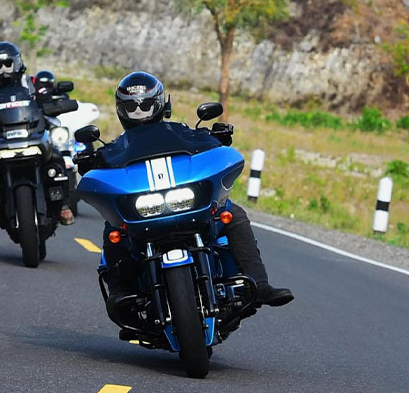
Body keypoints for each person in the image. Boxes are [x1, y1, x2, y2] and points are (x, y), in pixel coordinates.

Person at [84, 71, 293, 315]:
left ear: (160, 103)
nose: (139, 111)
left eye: (146, 104)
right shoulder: (114, 149)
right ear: (121, 109)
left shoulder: (183, 133)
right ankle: (119, 292)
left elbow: (208, 144)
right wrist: (88, 159)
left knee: (233, 214)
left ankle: (259, 284)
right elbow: (98, 167)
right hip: (144, 212)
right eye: (131, 106)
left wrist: (217, 136)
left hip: (188, 204)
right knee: (114, 226)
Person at [0, 43, 75, 225]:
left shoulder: (32, 83)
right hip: (1, 139)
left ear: (17, 62)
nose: (3, 70)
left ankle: (64, 205)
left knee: (57, 159)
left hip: (33, 135)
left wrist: (53, 105)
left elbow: (47, 98)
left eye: (7, 64)